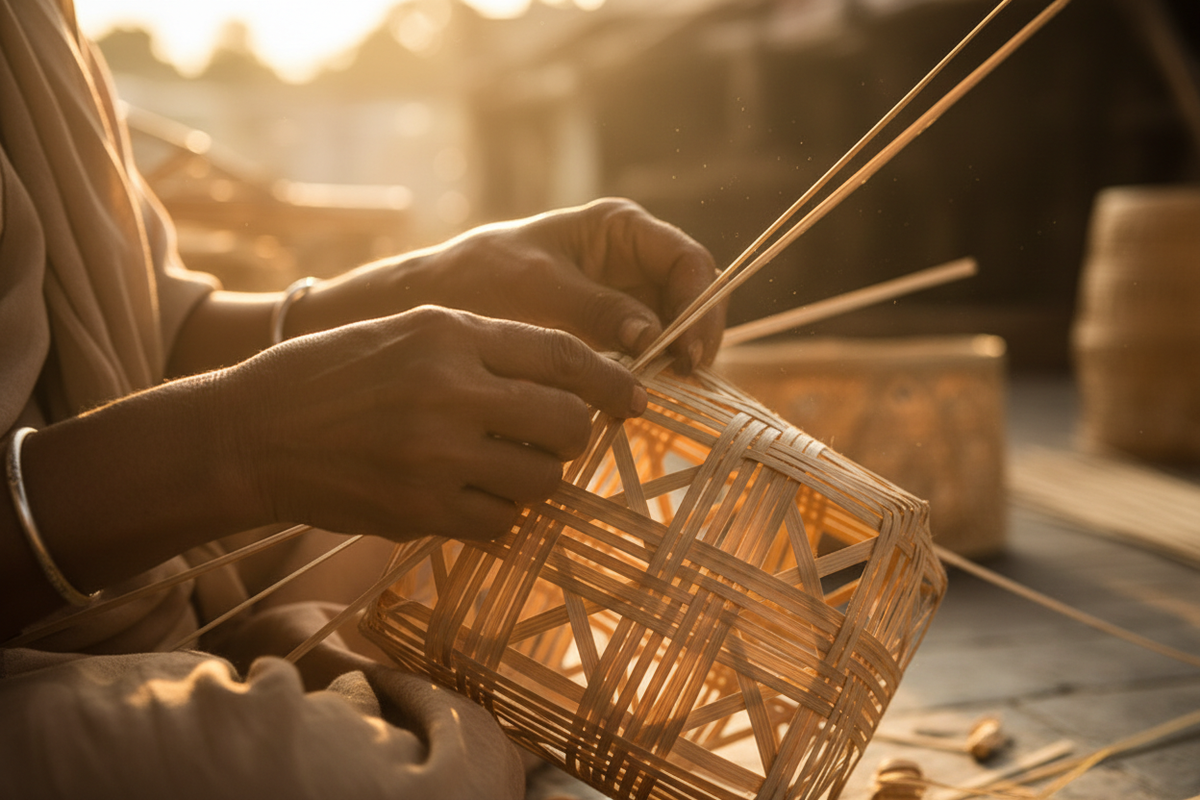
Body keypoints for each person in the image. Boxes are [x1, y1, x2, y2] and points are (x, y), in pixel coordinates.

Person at [0, 1, 725, 797]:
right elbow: (189, 421)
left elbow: (147, 340)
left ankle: (311, 652)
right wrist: (245, 444)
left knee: (457, 503)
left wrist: (431, 280)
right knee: (371, 771)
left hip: (150, 540)